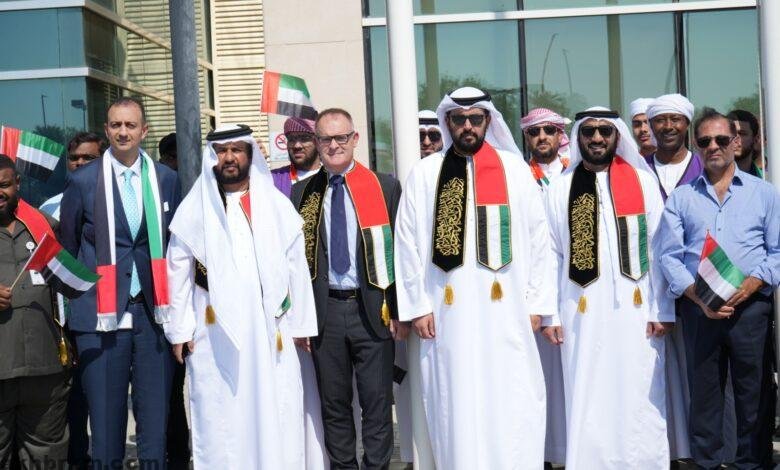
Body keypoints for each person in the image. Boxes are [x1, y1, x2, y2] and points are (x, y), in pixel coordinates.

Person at [394, 87, 555, 469]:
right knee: (455, 397)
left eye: (475, 119)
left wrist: (538, 303)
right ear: (447, 122)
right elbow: (407, 243)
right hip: (446, 312)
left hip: (509, 312)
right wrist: (417, 306)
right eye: (459, 119)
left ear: (487, 121)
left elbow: (540, 239)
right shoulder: (426, 173)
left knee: (510, 393)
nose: (467, 126)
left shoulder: (514, 170)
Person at [165, 124, 318, 468]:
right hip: (215, 333)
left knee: (275, 408)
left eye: (237, 149)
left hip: (270, 331)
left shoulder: (275, 204)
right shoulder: (195, 209)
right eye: (222, 151)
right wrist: (180, 330)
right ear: (212, 157)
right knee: (222, 414)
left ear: (250, 154)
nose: (229, 157)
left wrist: (302, 325)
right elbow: (178, 272)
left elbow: (296, 267)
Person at [543, 107, 671, 468]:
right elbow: (550, 254)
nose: (597, 138)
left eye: (604, 131)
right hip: (579, 308)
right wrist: (550, 313)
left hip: (637, 308)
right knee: (588, 386)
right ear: (578, 137)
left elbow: (658, 249)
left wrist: (662, 308)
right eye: (589, 132)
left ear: (617, 135)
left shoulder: (642, 182)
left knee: (639, 386)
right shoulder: (561, 188)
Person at [60, 96, 180, 469]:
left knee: (155, 428)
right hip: (100, 318)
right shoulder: (82, 180)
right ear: (106, 129)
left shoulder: (166, 179)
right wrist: (75, 313)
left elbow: (176, 246)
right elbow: (68, 250)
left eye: (130, 125)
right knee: (106, 430)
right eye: (116, 125)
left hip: (153, 316)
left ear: (144, 131)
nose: (123, 132)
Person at [657, 108, 779, 470]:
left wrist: (753, 283)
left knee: (754, 393)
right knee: (705, 396)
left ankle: (752, 463)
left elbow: (776, 251)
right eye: (705, 140)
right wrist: (698, 296)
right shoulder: (681, 198)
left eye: (721, 139)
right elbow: (668, 256)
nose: (714, 146)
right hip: (700, 309)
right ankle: (707, 463)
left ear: (736, 141)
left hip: (751, 308)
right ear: (697, 145)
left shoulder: (764, 193)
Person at [291, 108, 404, 469]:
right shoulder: (303, 193)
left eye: (341, 137)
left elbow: (400, 255)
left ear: (355, 139)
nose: (334, 145)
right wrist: (301, 318)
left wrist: (398, 310)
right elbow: (294, 263)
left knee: (377, 403)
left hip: (372, 311)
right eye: (326, 139)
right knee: (334, 406)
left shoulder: (384, 187)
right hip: (325, 313)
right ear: (317, 142)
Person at [38, 131, 104, 470]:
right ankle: (78, 459)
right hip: (65, 319)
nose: (79, 163)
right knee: (72, 399)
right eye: (74, 158)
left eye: (88, 158)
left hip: (107, 314)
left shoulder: (114, 202)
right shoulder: (46, 210)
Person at [0, 155, 70, 469]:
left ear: (17, 183)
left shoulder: (44, 226)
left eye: (4, 184)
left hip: (45, 369)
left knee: (46, 455)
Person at [519, 106, 568, 466]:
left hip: (571, 288)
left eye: (549, 131)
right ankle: (543, 454)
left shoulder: (575, 172)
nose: (542, 137)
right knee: (537, 377)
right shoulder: (519, 175)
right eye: (535, 132)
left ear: (559, 135)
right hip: (533, 289)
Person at [645, 93, 704, 200]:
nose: (668, 126)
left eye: (675, 119)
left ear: (687, 124)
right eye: (660, 120)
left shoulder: (704, 166)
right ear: (651, 125)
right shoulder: (641, 167)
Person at [272, 117, 321, 197]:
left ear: (318, 142)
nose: (297, 146)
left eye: (304, 138)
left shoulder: (333, 177)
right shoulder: (273, 178)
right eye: (291, 139)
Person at [727, 109, 763, 178]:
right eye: (731, 133)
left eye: (742, 133)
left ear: (755, 139)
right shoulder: (708, 177)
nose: (735, 138)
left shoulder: (767, 179)